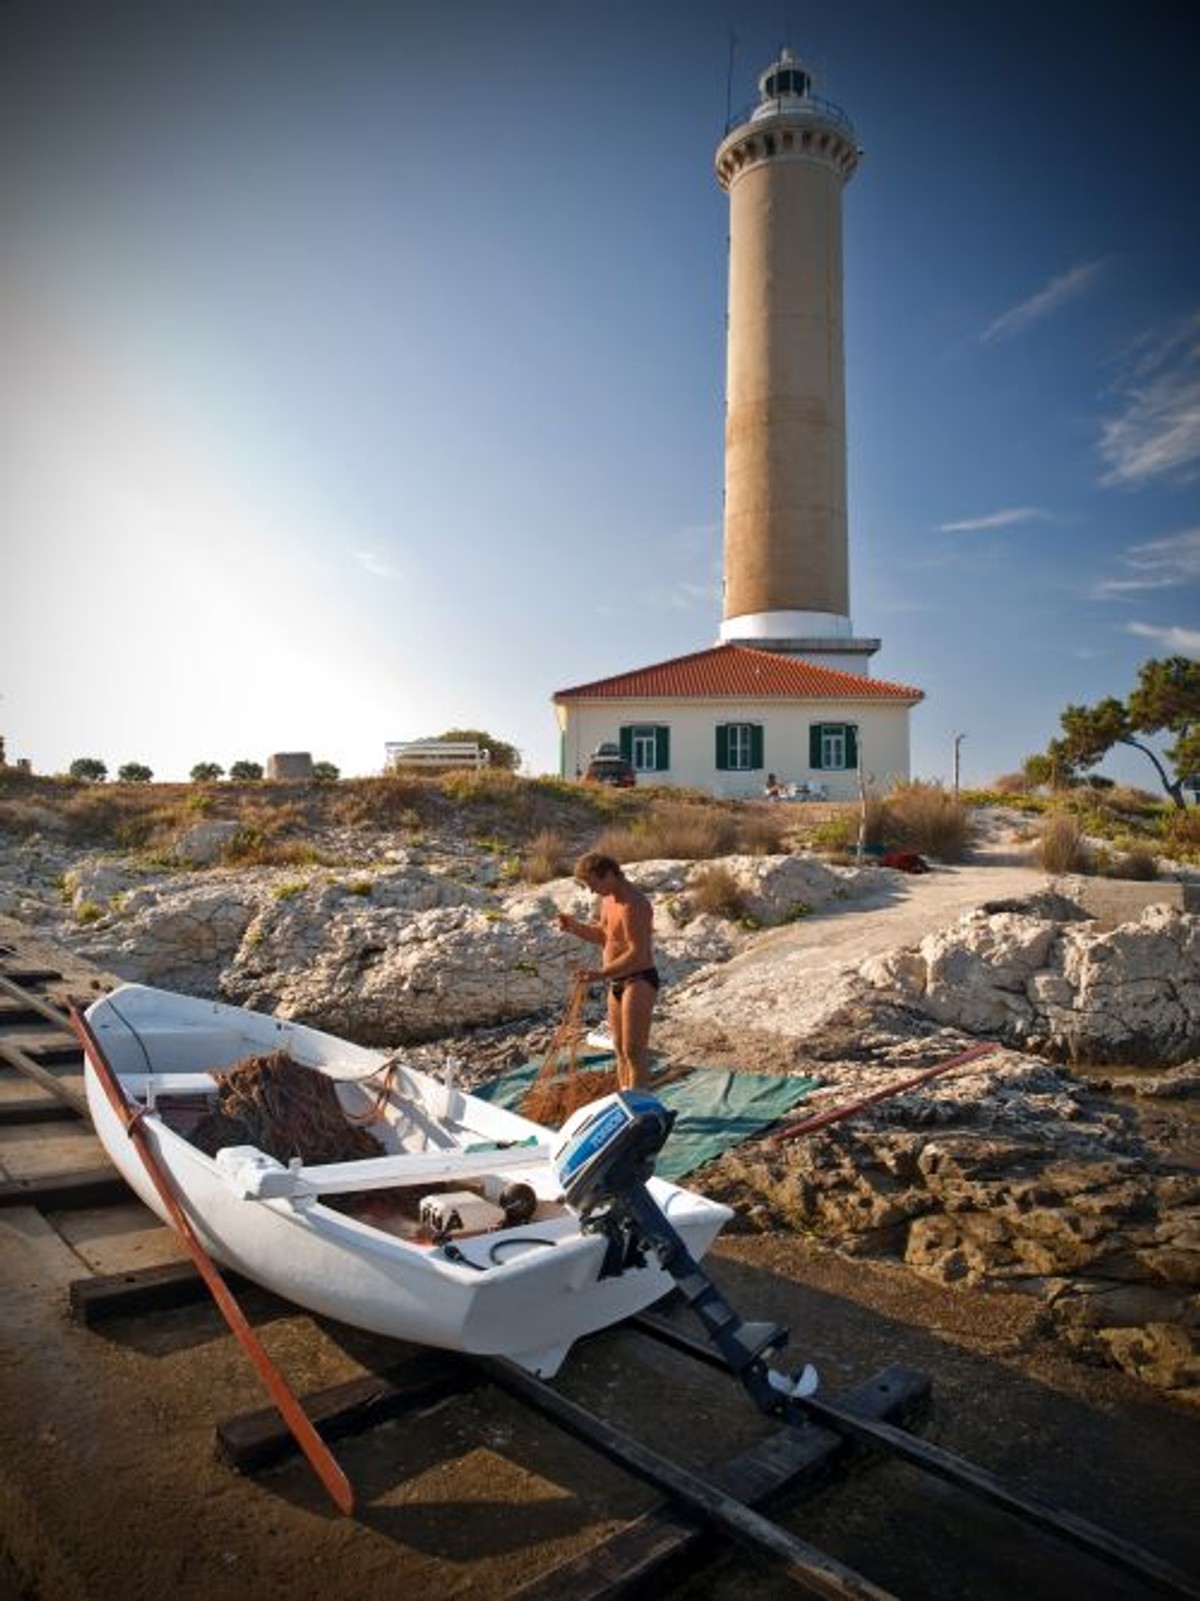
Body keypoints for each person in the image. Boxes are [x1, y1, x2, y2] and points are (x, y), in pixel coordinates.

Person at [556, 851, 658, 1091]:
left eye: (593, 884)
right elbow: (604, 936)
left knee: (634, 1050)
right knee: (620, 1049)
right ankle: (627, 1097)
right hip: (616, 981)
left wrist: (600, 974)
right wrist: (574, 927)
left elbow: (638, 953)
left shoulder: (636, 904)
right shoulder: (608, 900)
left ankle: (640, 1104)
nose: (592, 891)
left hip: (639, 979)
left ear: (610, 874)